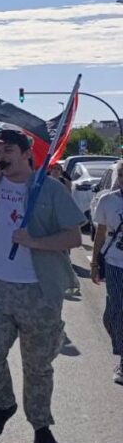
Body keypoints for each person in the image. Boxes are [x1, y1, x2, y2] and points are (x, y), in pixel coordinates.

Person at [0, 129, 85, 443]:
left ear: (27, 153)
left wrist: (35, 242)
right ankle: (3, 403)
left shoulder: (50, 188)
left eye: (9, 150)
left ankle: (41, 428)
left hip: (39, 291)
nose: (2, 155)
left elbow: (73, 236)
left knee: (38, 366)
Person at [91, 160, 123, 384]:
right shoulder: (107, 201)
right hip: (115, 263)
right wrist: (94, 263)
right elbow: (100, 234)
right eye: (122, 175)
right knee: (114, 312)